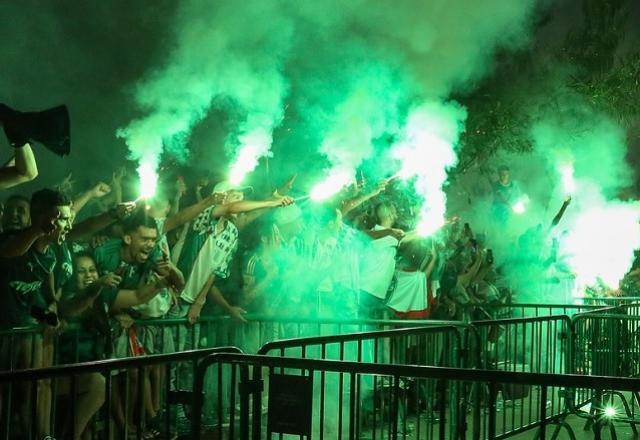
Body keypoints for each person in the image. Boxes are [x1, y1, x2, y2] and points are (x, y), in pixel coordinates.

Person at [0, 188, 73, 440]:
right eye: (62, 218)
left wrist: (47, 315)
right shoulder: (15, 238)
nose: (68, 224)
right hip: (4, 335)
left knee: (29, 391)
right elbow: (8, 252)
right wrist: (36, 230)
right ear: (44, 218)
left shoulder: (51, 255)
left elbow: (29, 298)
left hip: (19, 337)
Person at [358, 202, 405, 318]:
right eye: (394, 211)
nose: (396, 215)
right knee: (360, 331)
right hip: (366, 290)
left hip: (376, 293)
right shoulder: (377, 234)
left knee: (370, 332)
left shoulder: (392, 235)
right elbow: (364, 235)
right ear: (388, 214)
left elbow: (406, 237)